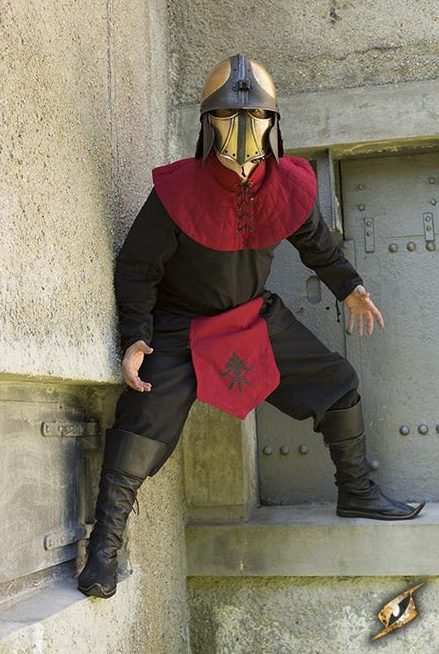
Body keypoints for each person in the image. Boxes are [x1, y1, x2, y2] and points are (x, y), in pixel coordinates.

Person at [77, 54, 425, 599]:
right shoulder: (176, 191)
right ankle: (104, 548)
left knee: (337, 383)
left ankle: (356, 491)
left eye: (256, 115)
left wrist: (350, 288)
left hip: (252, 316)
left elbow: (317, 245)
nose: (242, 127)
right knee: (143, 419)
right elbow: (138, 268)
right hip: (179, 326)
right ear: (207, 122)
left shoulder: (287, 184)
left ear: (273, 123)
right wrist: (136, 336)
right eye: (227, 115)